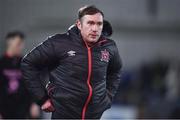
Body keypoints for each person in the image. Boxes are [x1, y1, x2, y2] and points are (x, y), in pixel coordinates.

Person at [21, 5, 122, 119]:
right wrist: (42, 99)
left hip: (94, 115)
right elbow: (28, 63)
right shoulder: (59, 43)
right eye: (90, 23)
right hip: (64, 113)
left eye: (99, 24)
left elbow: (115, 71)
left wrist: (107, 97)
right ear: (79, 24)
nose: (95, 28)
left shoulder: (109, 46)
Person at [0, 31, 39, 118]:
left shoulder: (26, 63)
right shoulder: (2, 63)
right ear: (9, 42)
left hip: (22, 110)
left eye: (22, 44)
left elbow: (32, 85)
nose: (21, 47)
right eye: (18, 44)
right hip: (5, 108)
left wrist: (34, 103)